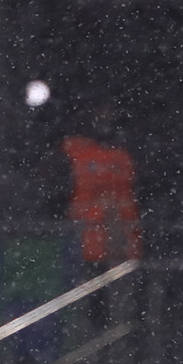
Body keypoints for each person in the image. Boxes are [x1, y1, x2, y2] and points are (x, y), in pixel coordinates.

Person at [54, 105, 141, 263]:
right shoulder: (73, 151)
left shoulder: (126, 153)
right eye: (99, 115)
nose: (104, 119)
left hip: (121, 249)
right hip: (83, 246)